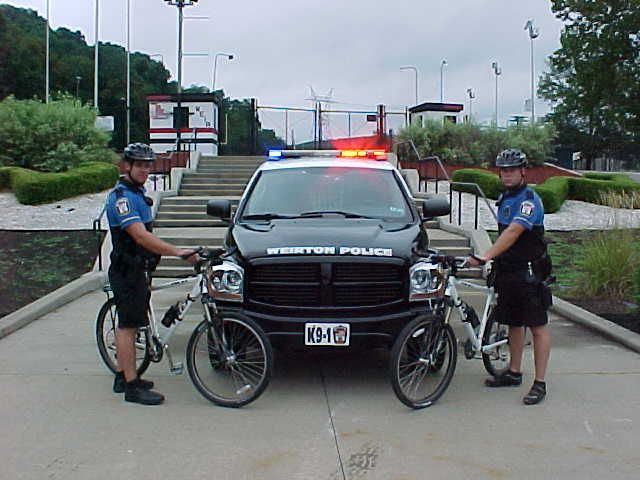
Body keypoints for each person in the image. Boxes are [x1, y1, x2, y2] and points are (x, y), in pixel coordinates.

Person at [106, 143, 198, 405]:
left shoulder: (138, 194)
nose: (145, 170)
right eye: (140, 165)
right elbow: (139, 235)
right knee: (128, 327)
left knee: (135, 321)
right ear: (127, 166)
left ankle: (122, 376)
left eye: (148, 165)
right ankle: (131, 387)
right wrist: (177, 252)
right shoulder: (122, 198)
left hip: (139, 268)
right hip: (126, 271)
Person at [468, 149, 553, 405]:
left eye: (512, 170)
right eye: (503, 170)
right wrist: (496, 261)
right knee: (514, 323)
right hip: (509, 271)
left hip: (529, 272)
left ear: (522, 171)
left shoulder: (529, 200)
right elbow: (505, 235)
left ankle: (540, 383)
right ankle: (514, 372)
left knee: (537, 327)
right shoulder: (505, 198)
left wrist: (485, 255)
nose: (506, 174)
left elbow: (514, 231)